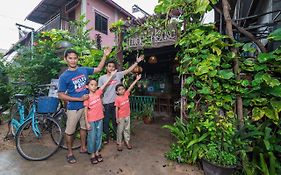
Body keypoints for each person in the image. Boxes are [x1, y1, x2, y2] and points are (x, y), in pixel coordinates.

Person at [58, 47, 111, 164]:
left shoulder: (83, 70)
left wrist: (105, 55)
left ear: (78, 59)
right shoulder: (64, 76)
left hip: (88, 107)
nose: (73, 61)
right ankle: (70, 153)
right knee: (70, 131)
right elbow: (60, 95)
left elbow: (99, 68)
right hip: (73, 108)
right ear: (65, 59)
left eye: (75, 58)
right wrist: (77, 98)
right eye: (70, 58)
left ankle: (83, 147)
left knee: (84, 128)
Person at [98, 55, 144, 144]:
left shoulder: (118, 75)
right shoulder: (102, 78)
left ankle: (117, 138)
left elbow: (128, 70)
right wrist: (101, 104)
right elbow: (100, 92)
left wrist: (137, 62)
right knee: (106, 122)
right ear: (106, 67)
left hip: (117, 104)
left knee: (116, 122)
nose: (111, 68)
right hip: (106, 103)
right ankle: (106, 138)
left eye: (113, 66)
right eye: (109, 66)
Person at [84, 70, 117, 164]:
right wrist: (86, 123)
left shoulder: (98, 92)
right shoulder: (86, 97)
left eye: (95, 85)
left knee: (99, 136)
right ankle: (92, 154)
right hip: (91, 120)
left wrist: (112, 75)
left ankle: (97, 152)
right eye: (91, 85)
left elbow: (106, 84)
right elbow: (85, 110)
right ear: (87, 86)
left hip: (100, 118)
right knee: (92, 137)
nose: (94, 86)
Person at [115, 74, 142, 151]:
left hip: (127, 115)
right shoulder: (117, 99)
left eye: (122, 89)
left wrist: (136, 80)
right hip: (121, 117)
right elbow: (116, 109)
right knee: (120, 130)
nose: (122, 90)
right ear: (117, 92)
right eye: (119, 89)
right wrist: (116, 118)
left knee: (127, 129)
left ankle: (127, 142)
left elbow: (131, 87)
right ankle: (119, 143)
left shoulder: (126, 94)